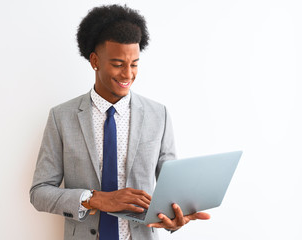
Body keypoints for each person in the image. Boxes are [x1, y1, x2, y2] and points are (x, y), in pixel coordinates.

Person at [30, 4, 210, 240]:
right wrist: (97, 198)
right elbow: (39, 192)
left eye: (134, 64)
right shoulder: (61, 116)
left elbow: (170, 191)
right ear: (95, 60)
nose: (128, 74)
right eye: (117, 64)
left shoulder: (159, 115)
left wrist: (175, 219)